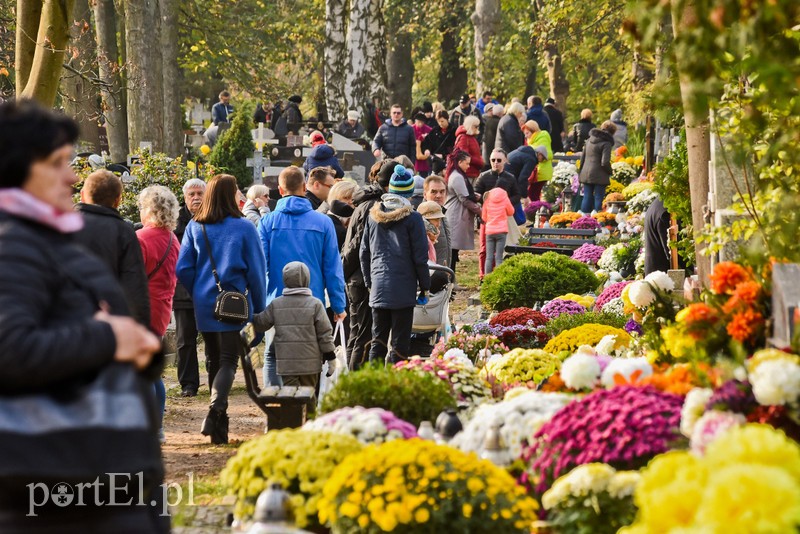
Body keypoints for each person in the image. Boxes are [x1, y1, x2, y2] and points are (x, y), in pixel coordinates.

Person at [0, 99, 166, 531]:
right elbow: (9, 349)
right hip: (56, 496)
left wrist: (143, 349)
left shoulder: (53, 240)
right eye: (57, 163)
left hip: (101, 483)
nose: (72, 177)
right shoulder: (13, 246)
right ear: (16, 168)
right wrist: (111, 339)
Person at [176, 174, 267, 444]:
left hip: (204, 302)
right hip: (234, 303)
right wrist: (258, 310)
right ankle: (216, 410)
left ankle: (220, 430)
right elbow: (257, 273)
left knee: (215, 359)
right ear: (231, 195)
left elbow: (182, 268)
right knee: (229, 361)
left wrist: (199, 290)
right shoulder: (245, 227)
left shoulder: (196, 226)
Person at [259, 166, 347, 385]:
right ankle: (306, 405)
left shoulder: (268, 222)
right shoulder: (323, 222)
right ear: (303, 187)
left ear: (280, 190)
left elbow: (261, 266)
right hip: (313, 299)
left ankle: (276, 402)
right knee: (312, 351)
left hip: (277, 298)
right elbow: (332, 268)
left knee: (272, 352)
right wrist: (338, 305)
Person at [360, 174, 431, 364]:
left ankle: (374, 386)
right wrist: (425, 285)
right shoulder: (413, 218)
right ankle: (395, 385)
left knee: (378, 342)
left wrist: (369, 282)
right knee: (400, 345)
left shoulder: (373, 217)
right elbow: (420, 257)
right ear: (408, 193)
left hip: (378, 287)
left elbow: (364, 252)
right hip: (403, 287)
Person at [74, 169, 150, 326]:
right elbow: (135, 285)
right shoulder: (124, 231)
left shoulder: (62, 226)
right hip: (110, 321)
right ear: (118, 200)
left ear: (82, 195)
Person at [253, 262, 335, 405]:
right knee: (309, 396)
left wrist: (247, 315)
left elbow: (261, 323)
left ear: (285, 280)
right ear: (307, 280)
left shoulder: (276, 304)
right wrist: (331, 357)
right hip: (311, 365)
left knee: (291, 397)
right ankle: (310, 422)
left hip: (287, 365)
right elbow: (325, 334)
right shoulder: (316, 304)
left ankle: (293, 422)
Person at [136, 185, 180, 443]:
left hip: (142, 308)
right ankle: (158, 427)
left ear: (150, 210)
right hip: (163, 307)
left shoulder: (141, 238)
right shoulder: (173, 239)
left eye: (142, 207)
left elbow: (134, 276)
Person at [342, 161, 394, 369]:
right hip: (361, 277)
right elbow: (358, 247)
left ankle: (349, 381)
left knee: (357, 335)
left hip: (357, 276)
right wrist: (344, 272)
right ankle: (354, 386)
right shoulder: (373, 206)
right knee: (363, 338)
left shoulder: (366, 201)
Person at [174, 178, 206, 397]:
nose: (195, 198)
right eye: (191, 194)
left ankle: (216, 380)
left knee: (214, 338)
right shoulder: (176, 221)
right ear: (185, 197)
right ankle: (188, 384)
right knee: (185, 340)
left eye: (199, 194)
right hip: (183, 290)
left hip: (209, 290)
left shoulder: (213, 217)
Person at [475, 149, 521, 278]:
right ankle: (483, 276)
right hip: (487, 218)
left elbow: (517, 195)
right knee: (484, 249)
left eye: (499, 160)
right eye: (493, 160)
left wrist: (505, 204)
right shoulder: (484, 176)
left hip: (503, 218)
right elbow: (476, 194)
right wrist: (485, 204)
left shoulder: (510, 178)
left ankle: (498, 275)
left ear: (505, 161)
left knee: (501, 250)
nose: (495, 163)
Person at [445, 150, 481, 270]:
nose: (468, 166)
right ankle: (450, 279)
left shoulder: (455, 174)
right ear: (460, 162)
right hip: (456, 216)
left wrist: (475, 195)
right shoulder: (457, 177)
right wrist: (480, 211)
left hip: (455, 214)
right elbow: (464, 199)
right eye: (467, 163)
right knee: (453, 251)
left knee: (453, 251)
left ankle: (451, 279)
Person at [578, 121, 617, 213]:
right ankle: (597, 220)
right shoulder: (606, 143)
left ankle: (582, 221)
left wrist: (580, 171)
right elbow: (605, 162)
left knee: (587, 196)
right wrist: (610, 171)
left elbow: (582, 158)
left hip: (586, 172)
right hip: (599, 174)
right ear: (612, 132)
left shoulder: (589, 140)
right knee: (598, 197)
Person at [481, 187, 515, 275]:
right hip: (502, 231)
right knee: (499, 257)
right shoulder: (504, 198)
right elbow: (511, 212)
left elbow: (484, 217)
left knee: (489, 257)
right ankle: (498, 278)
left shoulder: (488, 199)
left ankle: (487, 279)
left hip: (490, 231)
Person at [423, 175, 452, 267]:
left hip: (443, 271)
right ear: (425, 194)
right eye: (434, 192)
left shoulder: (442, 214)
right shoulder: (422, 218)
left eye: (442, 192)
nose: (438, 195)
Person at [421, 110, 457, 174]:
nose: (440, 123)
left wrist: (443, 155)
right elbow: (427, 142)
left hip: (448, 162)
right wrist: (427, 149)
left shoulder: (454, 131)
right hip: (435, 162)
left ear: (447, 119)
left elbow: (455, 148)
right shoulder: (434, 130)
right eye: (438, 121)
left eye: (442, 121)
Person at [525, 120, 553, 200]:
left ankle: (536, 210)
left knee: (533, 194)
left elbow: (548, 154)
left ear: (533, 131)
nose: (526, 136)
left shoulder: (542, 137)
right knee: (534, 194)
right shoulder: (532, 140)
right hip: (537, 172)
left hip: (541, 172)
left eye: (527, 133)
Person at [325, 180, 358, 250]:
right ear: (334, 198)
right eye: (346, 197)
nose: (350, 202)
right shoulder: (336, 228)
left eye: (353, 199)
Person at [644, 196, 672, 275]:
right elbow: (671, 252)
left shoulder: (659, 202)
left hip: (655, 274)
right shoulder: (666, 211)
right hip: (663, 277)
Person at [413, 112, 433, 177]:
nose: (420, 124)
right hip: (414, 156)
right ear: (415, 121)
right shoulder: (411, 129)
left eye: (422, 122)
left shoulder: (429, 130)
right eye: (418, 122)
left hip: (425, 157)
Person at [482, 103, 501, 167]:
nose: (492, 112)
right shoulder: (486, 120)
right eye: (490, 110)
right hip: (489, 145)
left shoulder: (491, 121)